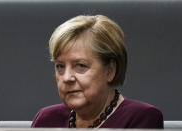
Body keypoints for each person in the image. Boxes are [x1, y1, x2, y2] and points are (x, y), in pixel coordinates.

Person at [31, 15, 163, 128]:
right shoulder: (46, 119)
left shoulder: (142, 118)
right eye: (60, 66)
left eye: (80, 66)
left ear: (110, 70)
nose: (66, 78)